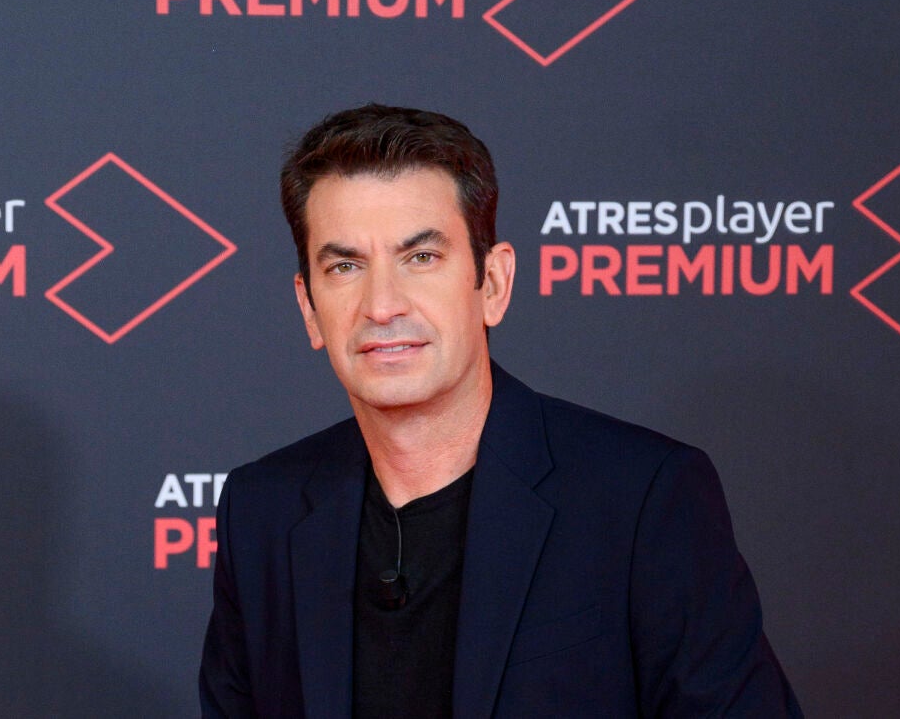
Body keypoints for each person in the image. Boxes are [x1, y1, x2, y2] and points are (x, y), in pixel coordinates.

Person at [200, 104, 801, 717]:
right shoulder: (262, 511)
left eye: (421, 258)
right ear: (309, 308)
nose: (381, 305)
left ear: (493, 283)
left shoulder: (641, 498)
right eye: (345, 266)